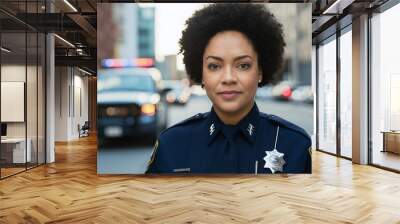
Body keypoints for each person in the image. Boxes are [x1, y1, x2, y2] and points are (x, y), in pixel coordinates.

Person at [146, 3, 311, 174]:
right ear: (201, 73)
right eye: (214, 66)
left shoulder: (295, 144)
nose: (228, 78)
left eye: (243, 65)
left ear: (260, 71)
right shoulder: (172, 144)